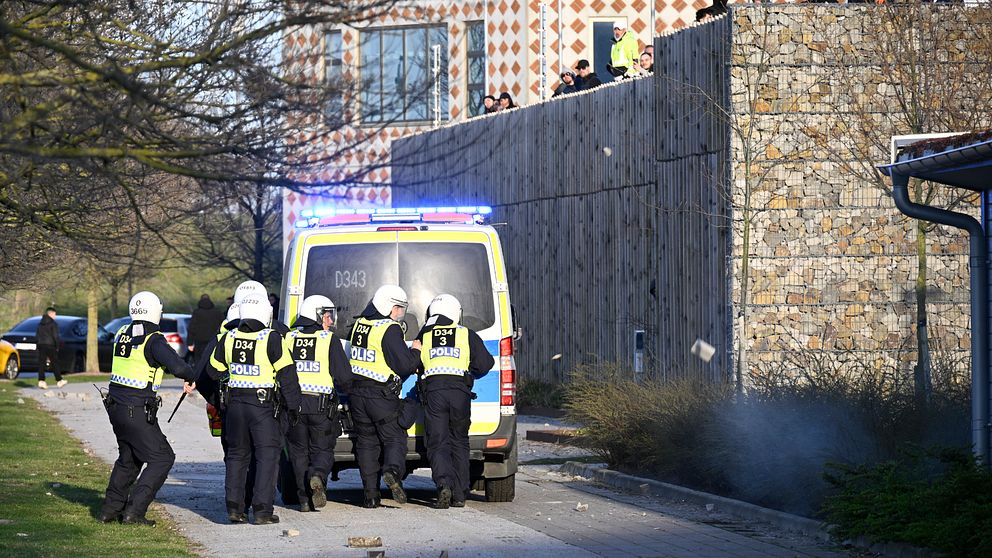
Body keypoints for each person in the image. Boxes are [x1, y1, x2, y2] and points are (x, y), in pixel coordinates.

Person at [99, 291, 196, 525]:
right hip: (136, 407)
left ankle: (109, 511)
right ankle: (134, 512)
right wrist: (191, 375)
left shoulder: (122, 332)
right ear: (154, 311)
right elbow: (177, 365)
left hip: (116, 405)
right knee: (162, 458)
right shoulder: (153, 338)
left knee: (129, 458)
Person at [208, 293, 302, 525]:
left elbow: (212, 370)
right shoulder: (271, 338)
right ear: (265, 314)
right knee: (267, 456)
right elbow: (287, 375)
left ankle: (235, 509)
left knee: (237, 456)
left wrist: (232, 379)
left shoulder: (228, 337)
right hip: (262, 406)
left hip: (235, 406)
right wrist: (293, 406)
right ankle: (262, 511)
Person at [412, 295, 494, 509]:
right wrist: (469, 373)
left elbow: (414, 361)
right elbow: (486, 364)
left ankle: (443, 485)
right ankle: (459, 494)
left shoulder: (425, 334)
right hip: (460, 393)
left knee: (437, 443)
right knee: (459, 441)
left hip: (434, 393)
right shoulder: (466, 334)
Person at [347, 284, 420, 508]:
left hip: (357, 396)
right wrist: (416, 350)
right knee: (395, 438)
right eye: (399, 308)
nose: (401, 313)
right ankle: (392, 472)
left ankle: (370, 495)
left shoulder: (360, 324)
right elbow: (404, 365)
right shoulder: (389, 328)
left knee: (367, 444)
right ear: (389, 307)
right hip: (380, 395)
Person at [285, 295, 351, 511]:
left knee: (298, 453)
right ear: (316, 315)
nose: (330, 321)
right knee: (322, 450)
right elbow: (343, 377)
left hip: (294, 406)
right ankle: (318, 475)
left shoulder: (288, 338)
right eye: (327, 315)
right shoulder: (328, 339)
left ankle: (304, 500)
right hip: (320, 406)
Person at [188, 294, 225, 364]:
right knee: (212, 360)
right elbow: (223, 325)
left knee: (199, 360)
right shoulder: (217, 313)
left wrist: (190, 343)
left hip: (199, 341)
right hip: (213, 340)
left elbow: (192, 328)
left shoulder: (197, 312)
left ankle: (199, 374)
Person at [35, 307, 63, 389]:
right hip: (50, 345)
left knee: (41, 363)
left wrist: (38, 344)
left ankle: (41, 381)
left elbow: (37, 335)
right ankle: (59, 380)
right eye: (55, 314)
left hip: (41, 345)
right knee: (54, 363)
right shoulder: (53, 324)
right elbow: (55, 336)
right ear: (50, 314)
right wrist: (57, 346)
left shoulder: (40, 323)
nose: (55, 316)